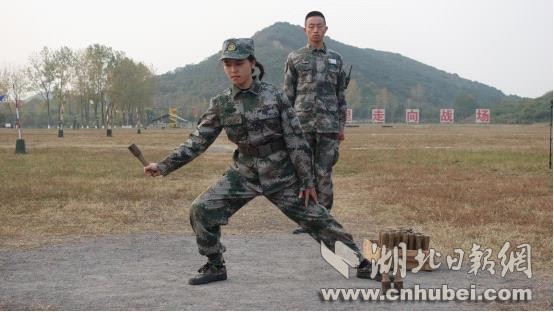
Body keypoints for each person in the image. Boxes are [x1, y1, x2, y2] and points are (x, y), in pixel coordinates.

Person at [143, 38, 376, 285]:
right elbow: (197, 141)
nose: (234, 69)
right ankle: (214, 264)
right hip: (243, 173)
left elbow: (296, 140)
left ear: (252, 63)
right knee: (201, 209)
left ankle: (361, 263)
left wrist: (307, 181)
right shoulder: (221, 103)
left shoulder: (274, 96)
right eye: (228, 64)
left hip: (281, 174)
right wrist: (164, 165)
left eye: (239, 63)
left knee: (318, 220)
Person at [284, 11, 348, 234]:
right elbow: (288, 96)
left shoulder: (336, 59)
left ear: (326, 29)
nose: (315, 30)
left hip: (329, 126)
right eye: (311, 26)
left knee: (324, 172)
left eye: (319, 26)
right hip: (302, 126)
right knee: (303, 173)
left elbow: (341, 96)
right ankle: (307, 220)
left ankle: (324, 218)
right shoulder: (294, 58)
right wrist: (287, 128)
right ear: (305, 30)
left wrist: (341, 125)